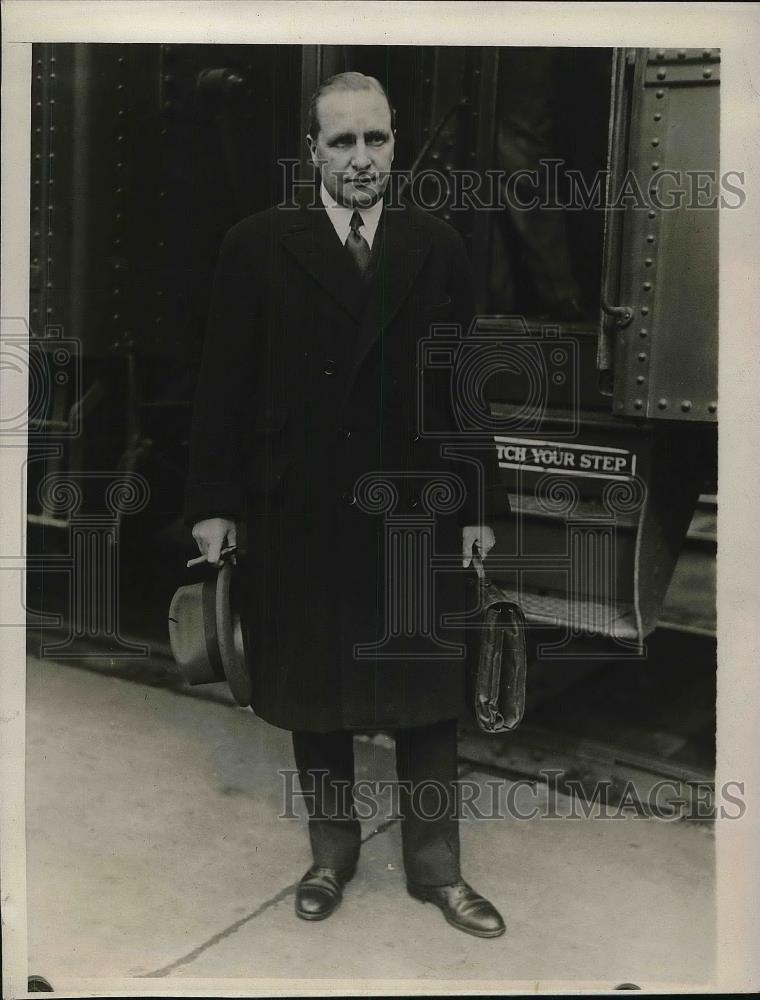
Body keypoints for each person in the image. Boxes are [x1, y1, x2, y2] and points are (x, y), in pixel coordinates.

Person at [185, 71, 505, 938]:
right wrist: (214, 502)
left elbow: (464, 389)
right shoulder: (255, 246)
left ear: (395, 145)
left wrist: (479, 505)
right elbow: (223, 384)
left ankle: (438, 870)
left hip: (415, 512)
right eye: (342, 142)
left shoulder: (436, 245)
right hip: (302, 507)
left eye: (375, 140)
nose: (360, 160)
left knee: (429, 693)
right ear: (313, 153)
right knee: (312, 687)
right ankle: (333, 854)